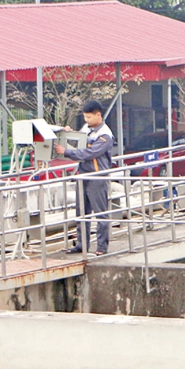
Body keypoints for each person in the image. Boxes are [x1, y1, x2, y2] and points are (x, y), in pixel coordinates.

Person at [54, 100, 114, 255]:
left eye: (89, 117)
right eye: (85, 118)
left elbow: (89, 153)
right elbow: (78, 140)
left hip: (97, 177)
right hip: (83, 175)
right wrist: (67, 132)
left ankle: (101, 247)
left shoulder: (105, 135)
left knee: (100, 213)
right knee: (81, 213)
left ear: (98, 115)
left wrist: (66, 151)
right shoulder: (87, 129)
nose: (86, 121)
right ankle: (82, 244)